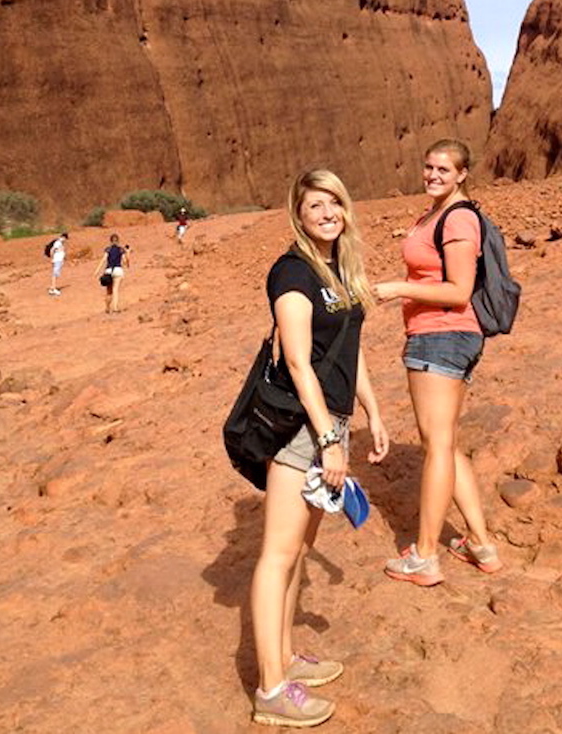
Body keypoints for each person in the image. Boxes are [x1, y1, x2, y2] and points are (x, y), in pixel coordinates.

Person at [249, 169, 388, 727]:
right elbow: (301, 362)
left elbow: (347, 354)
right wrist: (329, 440)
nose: (328, 212)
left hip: (332, 420)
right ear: (299, 215)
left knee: (299, 551)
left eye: (335, 202)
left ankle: (284, 658)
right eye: (316, 205)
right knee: (277, 555)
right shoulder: (292, 273)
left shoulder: (337, 270)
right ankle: (270, 689)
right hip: (301, 429)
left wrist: (373, 412)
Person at [375, 139, 502, 587]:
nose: (433, 175)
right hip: (436, 336)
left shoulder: (460, 218)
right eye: (429, 167)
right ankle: (481, 544)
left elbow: (458, 290)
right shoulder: (434, 213)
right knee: (445, 444)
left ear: (462, 174)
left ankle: (425, 556)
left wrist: (397, 289)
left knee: (437, 446)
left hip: (442, 336)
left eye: (444, 170)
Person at [92, 233, 130, 313]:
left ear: (110, 241)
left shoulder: (108, 249)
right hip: (118, 270)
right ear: (118, 241)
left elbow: (103, 260)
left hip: (108, 271)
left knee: (109, 291)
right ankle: (115, 308)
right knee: (115, 290)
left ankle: (107, 308)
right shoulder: (121, 250)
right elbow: (125, 262)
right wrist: (128, 253)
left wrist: (97, 271)